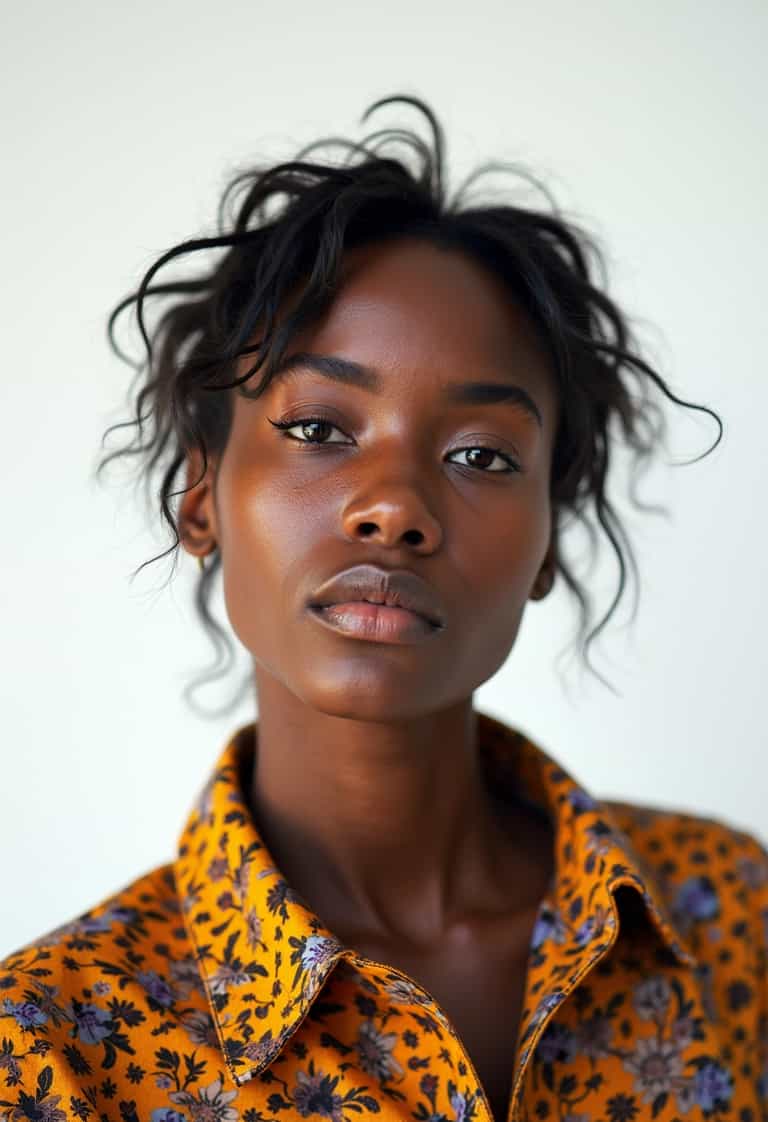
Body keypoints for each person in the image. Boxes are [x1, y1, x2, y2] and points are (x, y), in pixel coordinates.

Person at [1, 94, 765, 1122]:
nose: (396, 509)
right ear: (200, 498)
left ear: (546, 538)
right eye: (319, 428)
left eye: (482, 455)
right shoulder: (46, 1051)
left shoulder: (732, 915)